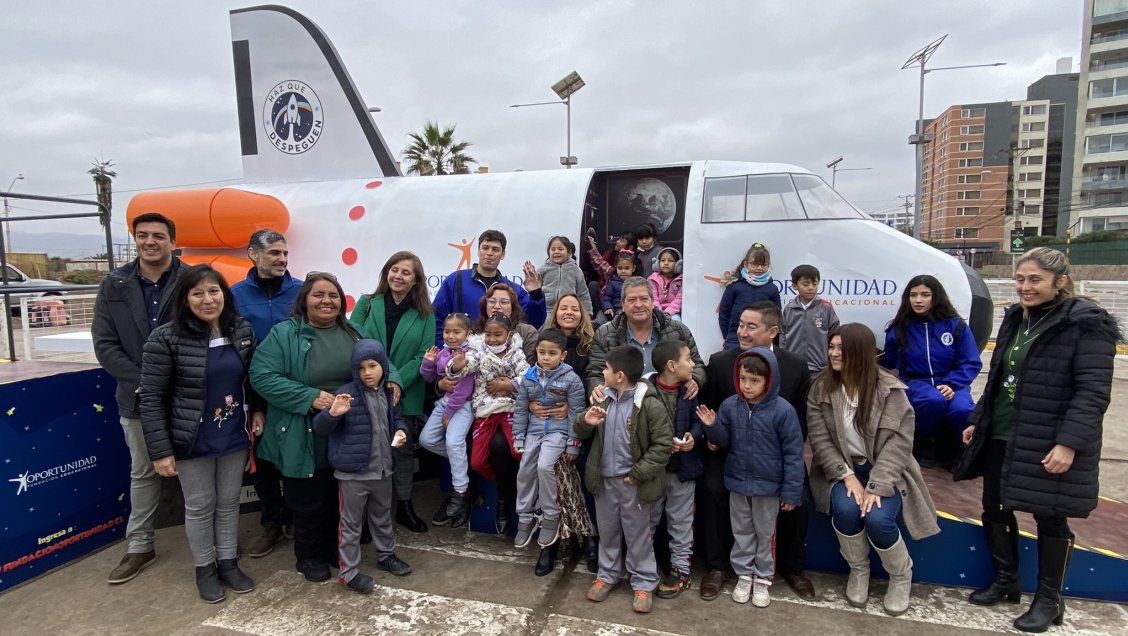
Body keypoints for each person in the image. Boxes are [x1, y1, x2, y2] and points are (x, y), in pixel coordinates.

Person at [955, 248, 1118, 633]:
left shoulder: (1085, 324)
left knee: (1050, 517)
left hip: (1049, 437)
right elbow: (997, 376)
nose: (1024, 287)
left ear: (1059, 281)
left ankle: (1049, 599)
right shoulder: (1017, 317)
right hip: (1003, 431)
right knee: (993, 507)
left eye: (1034, 280)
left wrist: (1068, 444)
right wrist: (979, 419)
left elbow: (1093, 392)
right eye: (1020, 279)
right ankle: (1007, 579)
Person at [250, 273, 398, 584]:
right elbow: (261, 376)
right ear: (304, 299)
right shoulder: (283, 334)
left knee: (337, 494)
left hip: (350, 431)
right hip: (301, 428)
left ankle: (334, 547)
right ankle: (308, 554)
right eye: (318, 294)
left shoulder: (354, 331)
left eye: (333, 295)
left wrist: (393, 380)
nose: (326, 301)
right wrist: (310, 397)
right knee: (308, 497)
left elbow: (380, 358)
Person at [139, 265, 260, 603]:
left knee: (229, 502)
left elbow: (254, 380)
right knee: (199, 505)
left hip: (234, 433)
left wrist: (259, 411)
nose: (208, 300)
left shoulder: (241, 330)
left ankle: (227, 562)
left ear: (225, 294)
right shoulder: (165, 338)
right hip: (190, 436)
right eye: (198, 293)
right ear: (185, 299)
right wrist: (161, 451)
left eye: (214, 291)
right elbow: (151, 398)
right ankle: (204, 567)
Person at [807, 323, 939, 617]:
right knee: (846, 508)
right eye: (832, 347)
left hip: (886, 471)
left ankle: (901, 575)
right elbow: (819, 438)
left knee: (878, 518)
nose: (834, 353)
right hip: (843, 469)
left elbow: (899, 444)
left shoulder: (890, 390)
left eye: (842, 348)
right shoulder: (821, 386)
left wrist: (877, 484)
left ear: (862, 352)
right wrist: (847, 475)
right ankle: (859, 570)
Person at [698, 300, 815, 602]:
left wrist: (775, 451)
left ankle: (791, 567)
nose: (742, 332)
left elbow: (801, 420)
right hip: (730, 451)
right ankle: (717, 567)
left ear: (773, 331)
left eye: (751, 326)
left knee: (796, 490)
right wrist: (711, 438)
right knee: (712, 487)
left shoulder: (795, 366)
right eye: (740, 325)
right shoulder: (723, 362)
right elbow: (710, 411)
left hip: (774, 452)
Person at [93, 212, 187, 584]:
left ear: (172, 241)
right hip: (136, 397)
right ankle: (140, 546)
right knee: (143, 472)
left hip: (187, 395)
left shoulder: (192, 279)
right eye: (143, 235)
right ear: (134, 239)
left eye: (159, 236)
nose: (151, 241)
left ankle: (214, 544)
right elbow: (105, 344)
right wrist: (144, 381)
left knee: (200, 470)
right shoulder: (113, 283)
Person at [574, 346, 673, 615]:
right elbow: (578, 428)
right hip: (604, 481)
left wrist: (638, 473)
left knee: (639, 535)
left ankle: (643, 582)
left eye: (605, 369)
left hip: (634, 484)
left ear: (619, 375)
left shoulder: (648, 403)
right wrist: (587, 420)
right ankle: (606, 576)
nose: (601, 373)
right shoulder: (602, 399)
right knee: (607, 532)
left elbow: (663, 445)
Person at [312, 339, 413, 594]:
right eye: (361, 367)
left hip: (383, 470)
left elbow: (397, 419)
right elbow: (321, 428)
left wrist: (401, 432)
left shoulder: (389, 393)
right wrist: (333, 413)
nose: (367, 372)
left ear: (383, 367)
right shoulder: (346, 394)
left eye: (373, 365)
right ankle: (349, 572)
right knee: (350, 524)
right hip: (353, 475)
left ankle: (386, 555)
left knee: (382, 516)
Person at [350, 251, 435, 533]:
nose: (398, 276)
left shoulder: (425, 314)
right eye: (394, 270)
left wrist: (397, 381)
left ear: (416, 280)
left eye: (406, 272)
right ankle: (364, 516)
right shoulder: (366, 304)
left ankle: (405, 506)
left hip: (405, 392)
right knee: (368, 451)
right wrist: (387, 376)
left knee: (403, 453)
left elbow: (424, 355)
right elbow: (357, 342)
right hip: (367, 388)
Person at [231, 229, 303, 559]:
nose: (282, 259)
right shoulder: (234, 296)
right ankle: (271, 523)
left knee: (296, 457)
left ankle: (296, 519)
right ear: (253, 254)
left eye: (285, 254)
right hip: (252, 395)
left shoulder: (301, 292)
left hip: (296, 392)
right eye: (274, 253)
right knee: (263, 463)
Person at [881, 275, 981, 469]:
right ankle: (926, 443)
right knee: (933, 400)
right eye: (914, 295)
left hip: (953, 382)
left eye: (925, 295)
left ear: (936, 297)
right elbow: (889, 362)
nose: (918, 300)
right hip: (917, 382)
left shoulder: (955, 325)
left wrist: (952, 383)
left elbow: (970, 361)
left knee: (962, 409)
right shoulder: (900, 327)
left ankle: (958, 447)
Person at [447, 314, 531, 534]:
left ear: (509, 335)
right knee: (476, 462)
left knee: (517, 451)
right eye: (489, 335)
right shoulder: (478, 353)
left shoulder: (517, 354)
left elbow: (528, 377)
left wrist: (509, 385)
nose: (493, 340)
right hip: (485, 411)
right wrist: (457, 365)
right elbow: (463, 368)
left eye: (498, 335)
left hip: (510, 409)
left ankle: (513, 493)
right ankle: (496, 482)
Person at [512, 329, 587, 555]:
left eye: (552, 353)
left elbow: (576, 411)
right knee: (525, 470)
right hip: (533, 432)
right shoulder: (529, 376)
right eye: (542, 352)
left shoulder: (571, 379)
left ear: (562, 355)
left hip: (558, 433)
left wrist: (574, 443)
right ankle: (525, 518)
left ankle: (550, 516)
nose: (546, 357)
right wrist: (519, 436)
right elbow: (520, 408)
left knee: (545, 467)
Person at [543, 293, 600, 573]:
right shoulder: (546, 341)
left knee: (582, 475)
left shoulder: (592, 343)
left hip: (583, 423)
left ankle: (584, 538)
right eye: (563, 308)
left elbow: (594, 379)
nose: (568, 312)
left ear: (582, 314)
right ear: (555, 313)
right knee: (555, 475)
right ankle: (558, 541)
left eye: (574, 309)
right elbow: (534, 380)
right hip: (550, 423)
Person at [649, 341, 704, 600]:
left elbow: (697, 422)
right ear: (672, 365)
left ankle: (681, 570)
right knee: (647, 521)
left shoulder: (690, 392)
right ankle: (643, 568)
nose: (693, 364)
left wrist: (693, 437)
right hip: (653, 472)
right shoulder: (645, 391)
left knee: (681, 523)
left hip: (683, 469)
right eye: (688, 359)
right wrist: (659, 445)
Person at [587, 276, 706, 394]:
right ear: (622, 304)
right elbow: (595, 373)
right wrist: (597, 388)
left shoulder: (678, 330)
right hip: (623, 405)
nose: (638, 305)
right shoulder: (604, 334)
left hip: (670, 404)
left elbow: (697, 365)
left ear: (653, 302)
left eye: (644, 299)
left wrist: (695, 380)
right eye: (632, 300)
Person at [432, 229, 545, 344]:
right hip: (461, 357)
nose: (489, 253)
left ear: (503, 254)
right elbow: (436, 318)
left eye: (495, 249)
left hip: (501, 357)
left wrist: (535, 294)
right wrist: (444, 353)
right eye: (485, 248)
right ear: (478, 251)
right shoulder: (455, 280)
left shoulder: (513, 289)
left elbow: (533, 323)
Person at [418, 313, 476, 528]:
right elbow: (430, 377)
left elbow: (463, 390)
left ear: (467, 334)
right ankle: (460, 461)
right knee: (426, 440)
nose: (451, 336)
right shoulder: (443, 352)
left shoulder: (468, 355)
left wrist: (448, 414)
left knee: (453, 442)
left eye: (456, 332)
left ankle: (461, 490)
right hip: (445, 402)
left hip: (462, 406)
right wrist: (427, 363)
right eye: (447, 331)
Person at [718, 243, 781, 349]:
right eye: (755, 264)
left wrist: (773, 341)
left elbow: (777, 316)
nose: (759, 268)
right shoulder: (734, 286)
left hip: (762, 340)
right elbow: (724, 312)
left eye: (764, 264)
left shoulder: (772, 289)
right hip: (735, 339)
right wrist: (728, 336)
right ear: (746, 264)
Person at [780, 264, 839, 377]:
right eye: (805, 284)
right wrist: (785, 357)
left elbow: (835, 334)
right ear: (795, 286)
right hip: (793, 366)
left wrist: (827, 357)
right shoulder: (789, 309)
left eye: (814, 283)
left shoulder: (825, 307)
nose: (811, 287)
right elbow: (783, 334)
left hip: (820, 367)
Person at [475, 283, 539, 362]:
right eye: (492, 302)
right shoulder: (476, 331)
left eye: (504, 302)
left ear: (513, 307)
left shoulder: (527, 332)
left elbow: (531, 367)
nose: (497, 306)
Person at [538, 236, 593, 317]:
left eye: (560, 249)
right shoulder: (542, 270)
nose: (556, 252)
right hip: (547, 310)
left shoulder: (575, 270)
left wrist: (588, 313)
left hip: (569, 310)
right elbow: (536, 292)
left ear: (569, 252)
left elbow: (583, 293)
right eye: (553, 249)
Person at [600, 251, 640, 321]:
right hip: (614, 311)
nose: (623, 271)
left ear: (633, 268)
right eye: (620, 268)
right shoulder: (612, 282)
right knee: (600, 316)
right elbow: (606, 298)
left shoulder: (637, 283)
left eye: (627, 268)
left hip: (631, 311)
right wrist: (608, 308)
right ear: (616, 268)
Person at [647, 247, 684, 321]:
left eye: (670, 261)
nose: (666, 263)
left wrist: (668, 313)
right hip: (655, 312)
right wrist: (659, 313)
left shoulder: (681, 280)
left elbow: (679, 300)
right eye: (662, 260)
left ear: (678, 264)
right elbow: (653, 298)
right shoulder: (652, 279)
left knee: (676, 320)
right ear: (657, 263)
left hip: (673, 313)